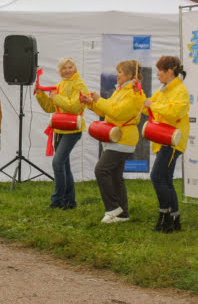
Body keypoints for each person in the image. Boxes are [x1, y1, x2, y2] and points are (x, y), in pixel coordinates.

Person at [81, 60, 145, 224]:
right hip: (115, 136)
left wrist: (99, 99)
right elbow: (106, 109)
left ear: (130, 75)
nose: (116, 75)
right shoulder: (121, 90)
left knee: (101, 170)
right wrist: (92, 104)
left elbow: (117, 113)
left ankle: (113, 208)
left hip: (123, 138)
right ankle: (123, 214)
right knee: (116, 176)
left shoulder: (134, 94)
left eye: (120, 72)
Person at [143, 56, 189, 233]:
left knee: (157, 177)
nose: (157, 74)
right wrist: (137, 92)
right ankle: (174, 219)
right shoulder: (164, 90)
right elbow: (148, 105)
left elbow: (174, 112)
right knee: (166, 179)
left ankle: (165, 215)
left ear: (170, 71)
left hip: (172, 140)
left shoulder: (180, 90)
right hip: (164, 139)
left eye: (160, 70)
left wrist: (153, 105)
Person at [35, 57, 89, 209]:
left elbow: (75, 107)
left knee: (57, 162)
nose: (67, 70)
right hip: (59, 128)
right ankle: (70, 201)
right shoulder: (60, 84)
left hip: (73, 129)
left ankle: (57, 200)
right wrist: (41, 95)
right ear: (60, 71)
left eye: (70, 67)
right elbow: (49, 107)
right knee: (64, 166)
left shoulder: (79, 84)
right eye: (64, 68)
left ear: (75, 68)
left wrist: (56, 97)